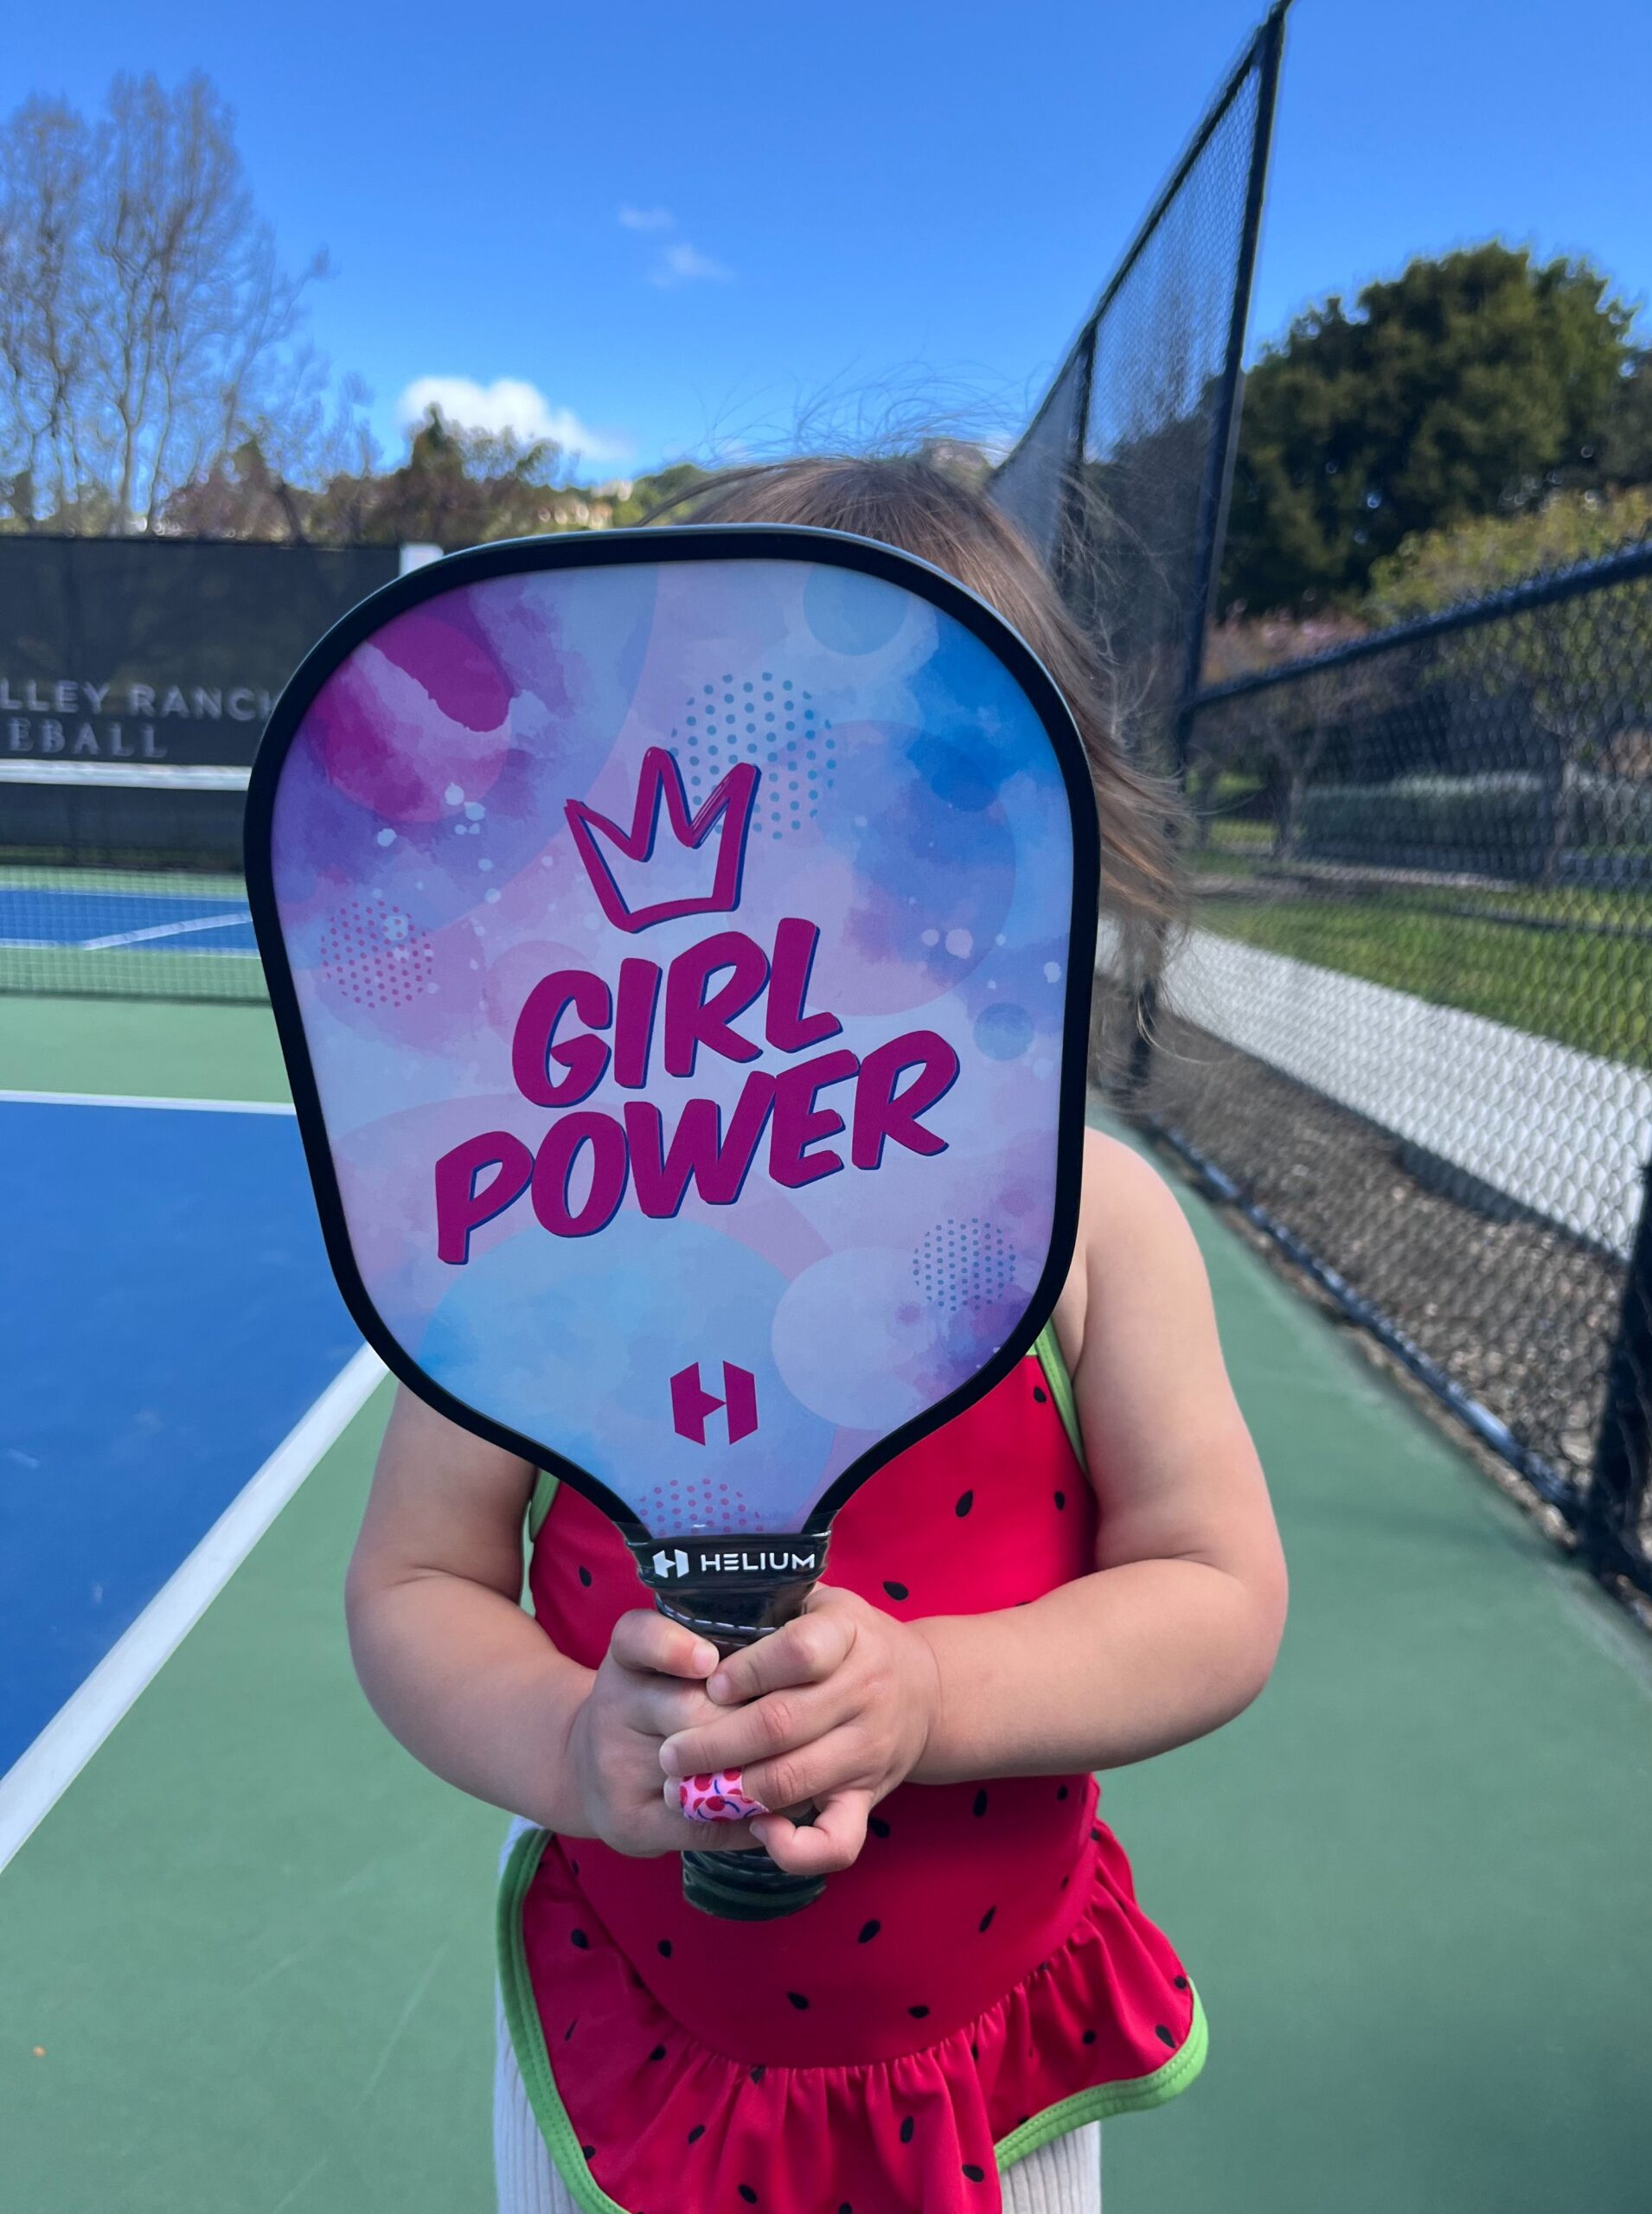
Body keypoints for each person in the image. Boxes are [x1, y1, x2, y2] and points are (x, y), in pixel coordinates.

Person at [345, 455, 1288, 2214]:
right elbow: (414, 1584)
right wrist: (564, 1745)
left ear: (1045, 846)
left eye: (921, 812)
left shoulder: (1094, 1220)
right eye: (734, 797)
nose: (811, 898)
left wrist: (934, 1692)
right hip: (633, 2038)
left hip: (981, 2066)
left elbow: (1219, 1590)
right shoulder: (551, 1213)